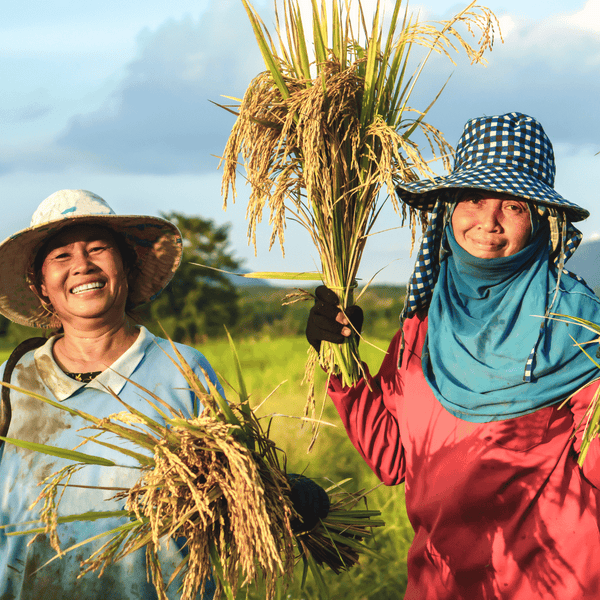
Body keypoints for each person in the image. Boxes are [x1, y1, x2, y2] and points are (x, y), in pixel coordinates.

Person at [306, 112, 600, 599]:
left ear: (540, 221)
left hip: (554, 581)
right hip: (442, 580)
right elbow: (394, 459)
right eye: (474, 199)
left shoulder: (575, 327)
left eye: (514, 205)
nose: (488, 220)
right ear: (447, 210)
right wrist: (345, 365)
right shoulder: (424, 325)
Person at [0, 189, 219, 600]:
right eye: (61, 257)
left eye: (98, 249)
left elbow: (229, 488)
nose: (82, 265)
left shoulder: (183, 371)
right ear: (41, 285)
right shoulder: (9, 384)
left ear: (126, 265)